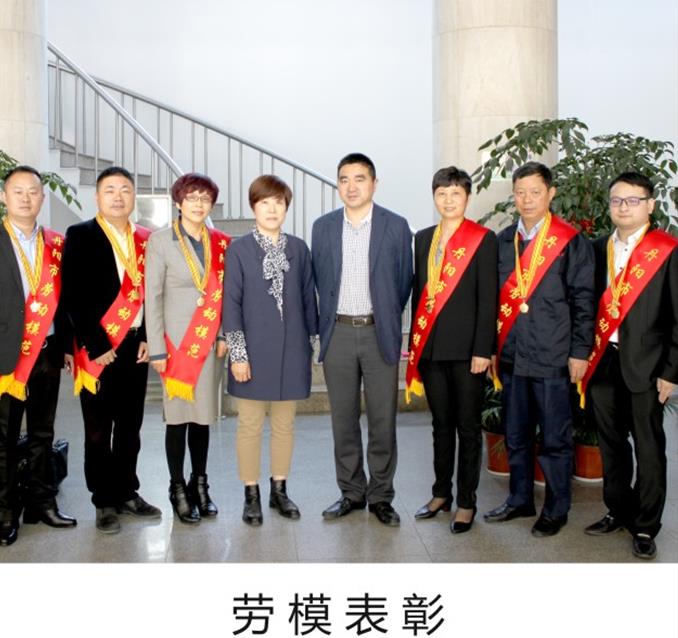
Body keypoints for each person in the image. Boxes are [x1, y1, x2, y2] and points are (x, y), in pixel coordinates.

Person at [484, 161, 595, 537]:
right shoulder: (503, 241)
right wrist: (493, 350)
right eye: (520, 192)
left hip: (553, 356)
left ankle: (556, 507)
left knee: (554, 438)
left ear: (550, 193)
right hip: (513, 356)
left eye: (535, 192)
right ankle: (519, 499)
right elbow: (494, 303)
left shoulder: (570, 241)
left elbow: (584, 300)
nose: (527, 199)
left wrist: (580, 352)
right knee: (515, 434)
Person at [581, 172, 678, 560]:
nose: (623, 207)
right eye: (617, 200)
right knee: (611, 444)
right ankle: (618, 510)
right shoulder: (597, 249)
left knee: (649, 447)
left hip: (648, 366)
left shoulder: (667, 250)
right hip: (604, 361)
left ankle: (645, 525)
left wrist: (671, 372)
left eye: (633, 200)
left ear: (650, 205)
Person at [312, 153, 412, 527]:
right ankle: (351, 492)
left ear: (374, 183)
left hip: (377, 333)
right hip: (337, 332)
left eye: (359, 179)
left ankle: (381, 496)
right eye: (344, 179)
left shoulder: (395, 226)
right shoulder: (322, 227)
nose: (351, 187)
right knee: (343, 419)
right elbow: (320, 279)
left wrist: (384, 315)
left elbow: (403, 282)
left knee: (383, 419)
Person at [61, 166, 161, 534]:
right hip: (99, 347)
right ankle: (103, 499)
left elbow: (153, 295)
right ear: (97, 197)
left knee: (131, 426)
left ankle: (127, 492)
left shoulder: (147, 239)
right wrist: (96, 344)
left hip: (135, 345)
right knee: (98, 429)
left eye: (125, 190)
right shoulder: (81, 235)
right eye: (110, 190)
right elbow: (73, 295)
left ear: (134, 196)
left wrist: (149, 335)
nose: (118, 197)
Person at [223, 175, 317, 526]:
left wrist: (310, 346)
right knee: (249, 425)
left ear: (286, 208)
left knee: (285, 425)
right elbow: (231, 304)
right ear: (254, 207)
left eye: (279, 202)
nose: (272, 209)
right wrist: (238, 354)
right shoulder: (239, 250)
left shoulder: (299, 249)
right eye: (265, 202)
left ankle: (280, 490)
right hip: (252, 352)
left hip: (292, 351)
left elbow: (308, 299)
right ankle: (251, 494)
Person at [407, 166, 497, 534]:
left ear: (467, 198)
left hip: (467, 352)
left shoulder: (482, 239)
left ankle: (467, 502)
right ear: (434, 197)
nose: (448, 200)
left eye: (455, 194)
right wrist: (414, 346)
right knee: (440, 425)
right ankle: (441, 493)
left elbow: (488, 299)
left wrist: (483, 349)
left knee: (468, 428)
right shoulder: (423, 239)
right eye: (441, 193)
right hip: (430, 349)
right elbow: (419, 295)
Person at [145, 173, 230, 524]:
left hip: (209, 345)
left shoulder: (220, 243)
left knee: (203, 418)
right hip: (176, 346)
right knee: (178, 419)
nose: (198, 204)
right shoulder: (160, 241)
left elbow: (227, 295)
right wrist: (156, 349)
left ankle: (200, 483)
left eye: (205, 198)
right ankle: (177, 487)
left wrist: (223, 335)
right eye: (191, 197)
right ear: (178, 202)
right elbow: (152, 297)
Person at [0, 165, 76, 546]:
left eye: (33, 192)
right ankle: (4, 511)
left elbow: (67, 301)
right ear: (4, 197)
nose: (26, 198)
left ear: (43, 199)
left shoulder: (56, 244)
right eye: (18, 191)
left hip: (47, 353)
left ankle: (42, 503)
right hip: (5, 357)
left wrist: (68, 346)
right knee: (4, 436)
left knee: (43, 432)